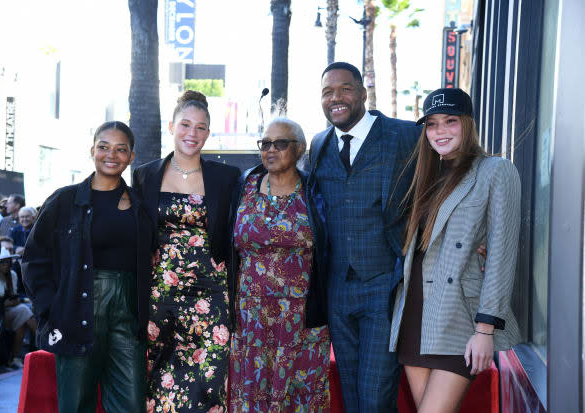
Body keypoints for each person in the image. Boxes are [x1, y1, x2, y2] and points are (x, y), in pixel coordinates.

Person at [389, 88, 522, 412]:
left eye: (450, 121)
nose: (440, 131)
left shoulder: (495, 171)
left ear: (467, 123)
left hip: (459, 316)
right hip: (414, 316)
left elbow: (502, 257)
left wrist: (484, 329)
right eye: (432, 124)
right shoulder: (425, 175)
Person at [307, 62, 420, 412]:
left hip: (385, 284)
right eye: (328, 91)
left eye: (345, 89)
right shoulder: (319, 143)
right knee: (352, 394)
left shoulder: (404, 135)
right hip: (338, 288)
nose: (336, 98)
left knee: (375, 395)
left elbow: (438, 187)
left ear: (362, 93)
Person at [23, 121, 155, 413]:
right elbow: (34, 258)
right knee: (76, 405)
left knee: (132, 405)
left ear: (131, 157)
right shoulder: (64, 200)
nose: (112, 155)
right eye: (104, 147)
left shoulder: (140, 206)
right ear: (92, 150)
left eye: (121, 149)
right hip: (76, 310)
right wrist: (49, 310)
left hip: (127, 315)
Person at [132, 90, 240, 413]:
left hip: (212, 299)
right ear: (171, 126)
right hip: (160, 295)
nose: (192, 134)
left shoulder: (227, 178)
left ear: (209, 132)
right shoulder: (145, 175)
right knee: (159, 386)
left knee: (207, 384)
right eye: (185, 125)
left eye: (201, 127)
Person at [228, 118, 330, 412]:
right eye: (265, 143)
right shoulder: (244, 187)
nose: (271, 149)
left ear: (299, 150)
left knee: (300, 397)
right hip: (251, 319)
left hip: (301, 320)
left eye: (281, 143)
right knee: (252, 395)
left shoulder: (315, 191)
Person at [0, 242, 37, 368]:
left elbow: (14, 298)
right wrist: (10, 301)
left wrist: (11, 301)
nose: (6, 264)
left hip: (11, 310)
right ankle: (44, 343)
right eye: (3, 262)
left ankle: (13, 358)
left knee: (22, 324)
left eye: (8, 261)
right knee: (24, 311)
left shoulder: (12, 275)